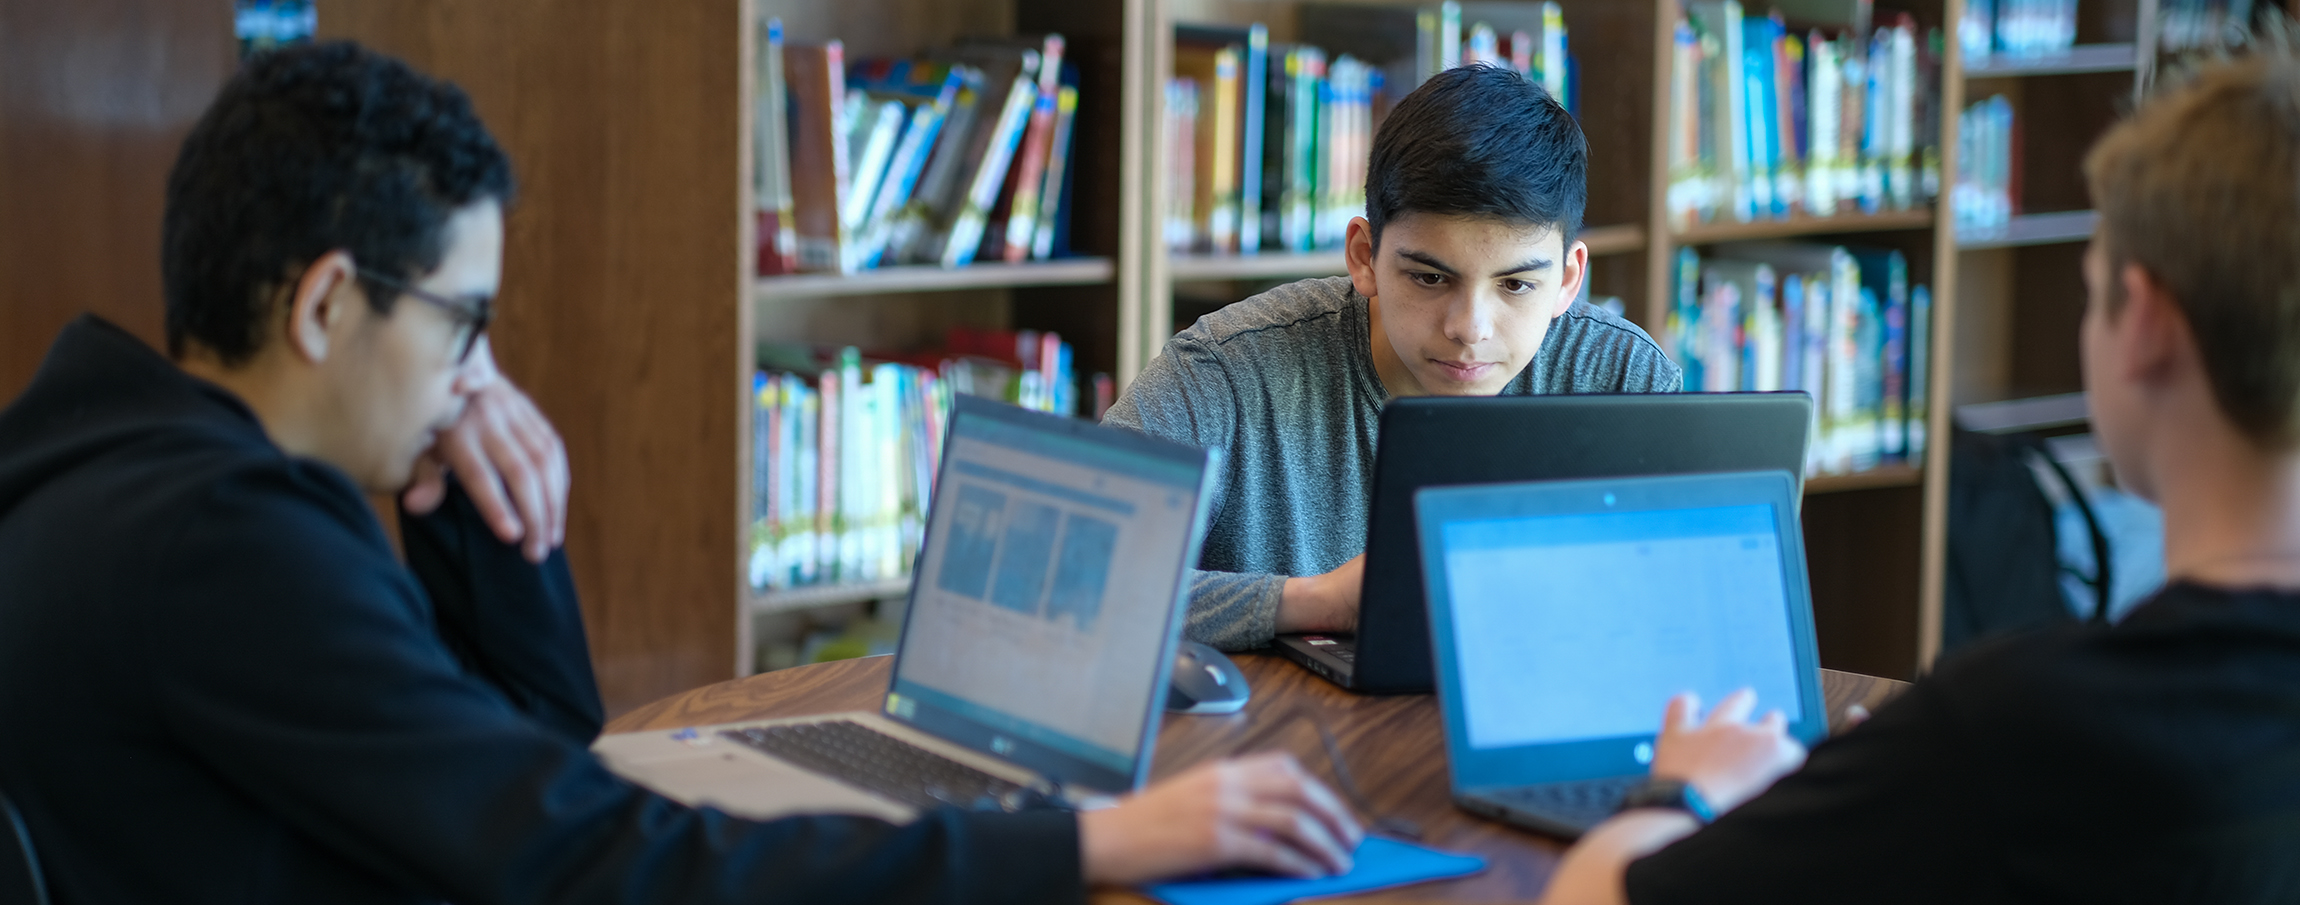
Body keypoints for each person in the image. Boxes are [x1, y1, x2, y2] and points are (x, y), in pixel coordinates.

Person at [0, 42, 1360, 903]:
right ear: (325, 306)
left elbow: (537, 769)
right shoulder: (230, 546)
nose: (479, 375)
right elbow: (595, 853)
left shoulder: (91, 462)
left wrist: (496, 526)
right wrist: (1086, 846)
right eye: (466, 322)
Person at [1536, 50, 2300, 905]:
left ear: (2147, 323)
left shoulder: (2018, 731)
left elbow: (1591, 896)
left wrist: (1684, 789)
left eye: (2091, 292)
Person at [1104, 65, 1681, 651]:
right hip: (1301, 735)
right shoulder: (1228, 369)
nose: (1468, 329)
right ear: (1364, 255)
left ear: (1568, 278)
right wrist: (1314, 603)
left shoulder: (1624, 379)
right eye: (1430, 277)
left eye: (1515, 286)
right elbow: (1070, 573)